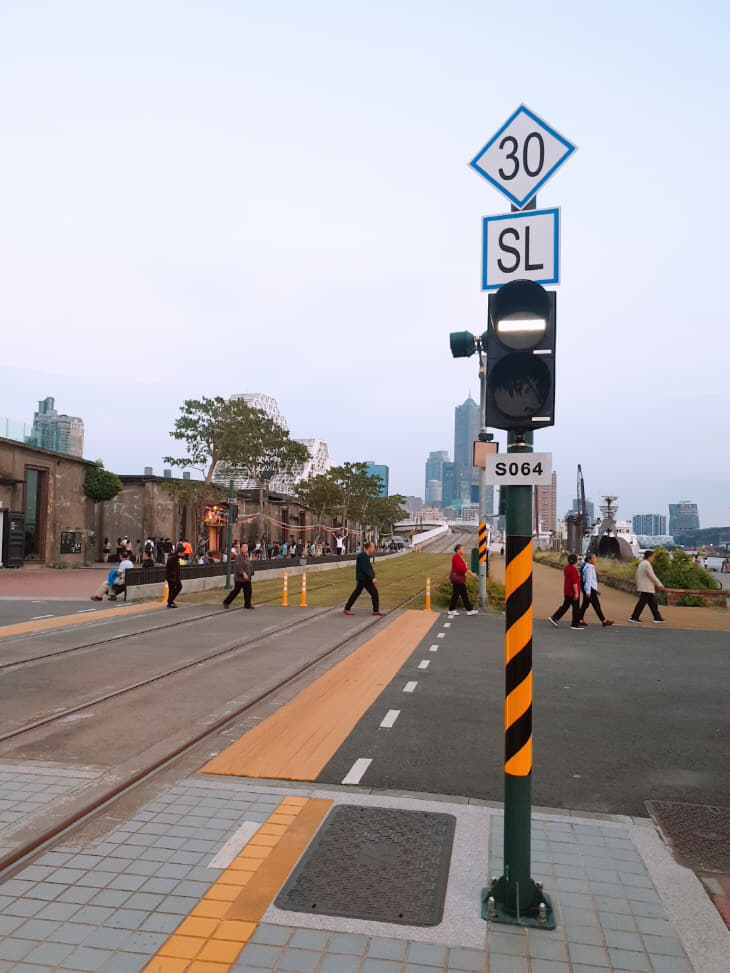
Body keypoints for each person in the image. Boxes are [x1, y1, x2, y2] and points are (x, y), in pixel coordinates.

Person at [344, 541, 384, 616]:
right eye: (373, 547)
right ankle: (347, 608)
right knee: (370, 593)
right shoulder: (362, 556)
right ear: (369, 548)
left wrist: (373, 575)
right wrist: (372, 577)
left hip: (365, 579)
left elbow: (369, 568)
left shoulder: (366, 556)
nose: (374, 549)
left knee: (360, 593)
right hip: (363, 579)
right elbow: (365, 569)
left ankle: (347, 608)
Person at [629, 550, 667, 623]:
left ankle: (657, 617)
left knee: (652, 603)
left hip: (644, 587)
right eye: (653, 557)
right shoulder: (647, 564)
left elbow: (638, 575)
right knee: (643, 603)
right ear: (650, 557)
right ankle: (634, 617)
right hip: (646, 587)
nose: (653, 558)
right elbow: (652, 575)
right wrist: (659, 584)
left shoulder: (642, 563)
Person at [578, 554, 613, 627]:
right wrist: (588, 591)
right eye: (593, 558)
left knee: (585, 605)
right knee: (596, 605)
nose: (595, 560)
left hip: (588, 589)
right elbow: (588, 580)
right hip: (590, 589)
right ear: (589, 560)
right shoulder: (589, 568)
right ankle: (604, 620)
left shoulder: (587, 567)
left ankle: (579, 619)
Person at [549, 553, 582, 630]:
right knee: (576, 608)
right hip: (572, 592)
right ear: (575, 561)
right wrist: (576, 592)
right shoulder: (573, 569)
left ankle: (555, 617)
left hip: (567, 590)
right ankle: (575, 624)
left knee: (565, 606)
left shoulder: (566, 568)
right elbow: (574, 582)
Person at [448, 544, 478, 615]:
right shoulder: (456, 557)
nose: (463, 550)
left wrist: (466, 571)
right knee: (462, 594)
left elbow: (463, 568)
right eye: (462, 549)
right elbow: (463, 568)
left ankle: (453, 609)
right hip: (457, 579)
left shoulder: (459, 557)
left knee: (458, 594)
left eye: (464, 549)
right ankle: (468, 610)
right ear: (457, 550)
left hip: (458, 578)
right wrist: (471, 574)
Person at [222, 543, 255, 609]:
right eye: (244, 547)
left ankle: (247, 604)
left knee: (248, 591)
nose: (245, 549)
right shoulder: (238, 556)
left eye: (246, 547)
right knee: (236, 591)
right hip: (239, 578)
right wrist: (243, 573)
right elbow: (238, 566)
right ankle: (226, 602)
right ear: (241, 548)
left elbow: (249, 565)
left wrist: (251, 572)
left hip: (247, 578)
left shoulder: (247, 556)